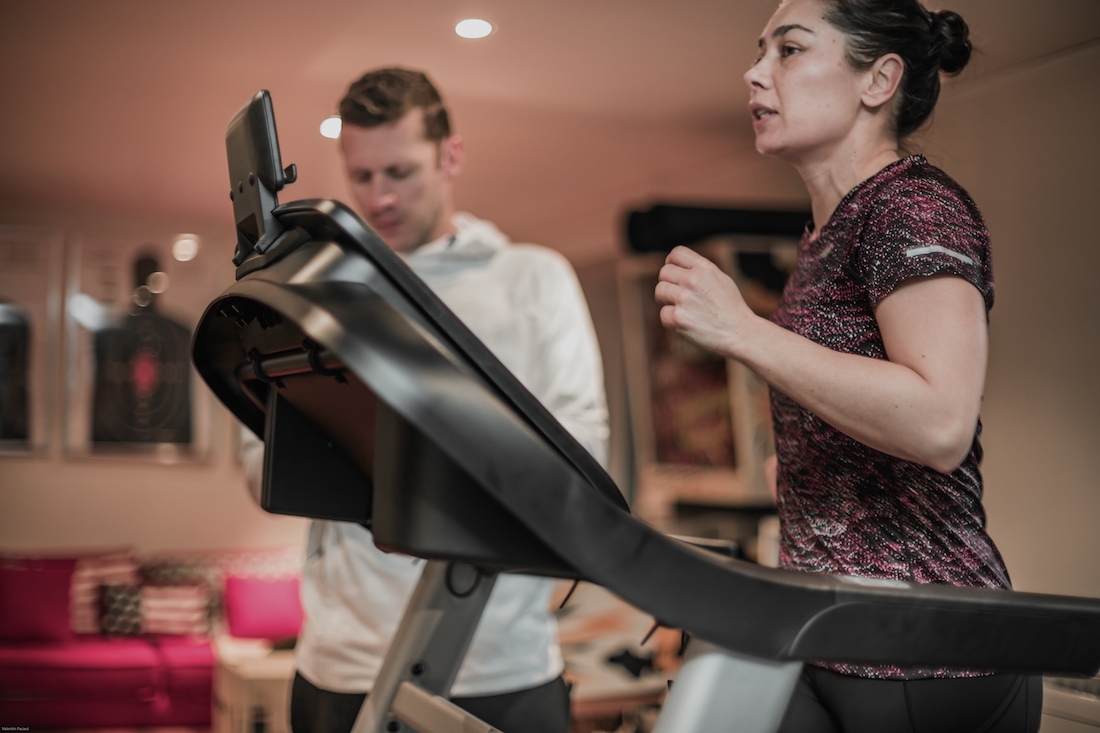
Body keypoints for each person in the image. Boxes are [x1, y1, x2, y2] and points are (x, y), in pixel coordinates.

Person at [655, 1, 1042, 731]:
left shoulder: (912, 206)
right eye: (759, 51)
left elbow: (939, 421)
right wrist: (799, 468)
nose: (754, 72)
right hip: (834, 629)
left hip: (927, 650)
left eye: (789, 51)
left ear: (879, 80)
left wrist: (742, 329)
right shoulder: (826, 232)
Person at [248, 68, 608, 733]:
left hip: (502, 664)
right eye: (361, 177)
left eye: (400, 171)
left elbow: (584, 451)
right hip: (344, 662)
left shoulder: (532, 277)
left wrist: (444, 482)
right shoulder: (319, 290)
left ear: (451, 157)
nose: (379, 196)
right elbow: (257, 460)